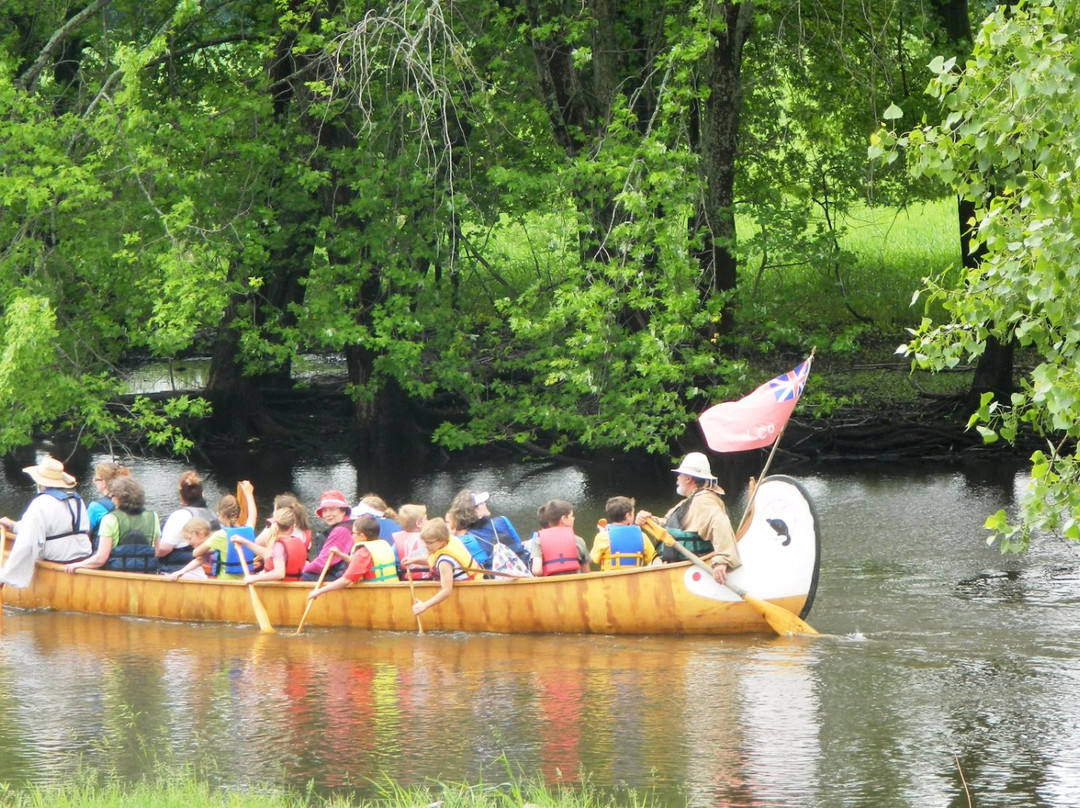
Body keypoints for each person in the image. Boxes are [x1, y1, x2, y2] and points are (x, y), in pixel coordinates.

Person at [635, 452, 740, 585]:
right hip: (672, 566)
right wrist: (649, 520)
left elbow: (721, 523)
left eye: (680, 474)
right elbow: (668, 524)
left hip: (683, 569)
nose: (677, 478)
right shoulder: (690, 501)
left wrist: (722, 560)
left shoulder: (705, 501)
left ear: (688, 478)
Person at [0, 457, 93, 587]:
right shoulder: (76, 499)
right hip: (84, 557)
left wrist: (5, 576)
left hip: (59, 561)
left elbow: (25, 544)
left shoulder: (40, 504)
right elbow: (57, 527)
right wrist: (14, 526)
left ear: (39, 482)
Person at [65, 477, 160, 574]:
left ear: (118, 498)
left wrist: (77, 565)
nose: (111, 498)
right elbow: (158, 552)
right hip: (146, 575)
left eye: (112, 496)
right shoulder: (153, 516)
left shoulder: (110, 519)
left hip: (116, 576)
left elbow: (100, 559)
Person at [163, 482, 256, 581]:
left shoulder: (220, 535)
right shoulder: (249, 530)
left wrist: (203, 546)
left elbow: (196, 554)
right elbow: (253, 514)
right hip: (245, 583)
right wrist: (249, 494)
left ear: (222, 514)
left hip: (226, 584)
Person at [305, 514, 398, 602]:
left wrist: (319, 591)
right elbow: (359, 563)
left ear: (362, 536)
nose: (351, 535)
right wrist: (340, 554)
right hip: (390, 592)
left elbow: (346, 580)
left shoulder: (363, 553)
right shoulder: (382, 545)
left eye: (353, 533)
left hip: (374, 595)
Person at [408, 517, 482, 617]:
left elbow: (446, 590)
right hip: (476, 585)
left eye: (429, 543)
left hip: (469, 594)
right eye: (424, 541)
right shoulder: (449, 541)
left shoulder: (444, 562)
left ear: (442, 541)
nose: (425, 545)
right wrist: (414, 561)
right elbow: (433, 560)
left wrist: (424, 605)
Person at [157, 471, 221, 575]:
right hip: (211, 570)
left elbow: (165, 549)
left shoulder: (179, 516)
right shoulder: (214, 515)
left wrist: (150, 552)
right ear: (202, 494)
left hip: (181, 572)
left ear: (181, 497)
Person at [450, 489, 530, 569]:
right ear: (474, 510)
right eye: (481, 503)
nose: (485, 503)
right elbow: (518, 544)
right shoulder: (502, 520)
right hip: (522, 568)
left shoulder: (466, 539)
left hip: (495, 578)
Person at [232, 506, 307, 583]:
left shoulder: (279, 546)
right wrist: (244, 541)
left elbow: (279, 573)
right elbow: (266, 554)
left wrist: (253, 578)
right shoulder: (297, 542)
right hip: (293, 589)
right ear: (292, 527)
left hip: (273, 590)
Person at [590, 496, 657, 570]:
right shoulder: (642, 536)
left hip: (610, 580)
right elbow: (653, 560)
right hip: (635, 580)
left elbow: (594, 559)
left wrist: (602, 533)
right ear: (628, 515)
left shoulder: (602, 537)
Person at [525, 500, 588, 577]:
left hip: (550, 587)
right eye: (571, 516)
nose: (573, 518)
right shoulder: (578, 540)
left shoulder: (538, 541)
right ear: (564, 519)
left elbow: (536, 570)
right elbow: (586, 572)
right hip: (575, 587)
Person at [301, 490, 353, 581]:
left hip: (340, 577)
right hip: (347, 575)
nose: (327, 514)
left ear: (343, 511)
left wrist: (302, 569)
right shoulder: (352, 525)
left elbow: (322, 563)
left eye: (332, 509)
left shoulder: (340, 530)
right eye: (325, 511)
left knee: (298, 576)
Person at [86, 462, 131, 538]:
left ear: (103, 483)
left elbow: (85, 534)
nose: (94, 482)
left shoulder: (95, 507)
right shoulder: (131, 501)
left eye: (96, 479)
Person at [392, 503, 431, 580]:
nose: (428, 521)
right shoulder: (433, 540)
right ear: (419, 523)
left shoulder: (395, 546)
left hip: (407, 585)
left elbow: (395, 565)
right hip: (431, 583)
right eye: (426, 519)